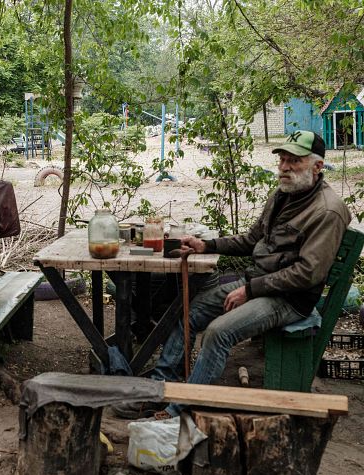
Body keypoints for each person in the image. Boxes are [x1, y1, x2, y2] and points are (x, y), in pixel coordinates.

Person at [113, 130, 352, 419]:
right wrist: (206, 245)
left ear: (317, 167)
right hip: (258, 283)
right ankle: (162, 386)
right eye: (283, 160)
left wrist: (250, 291)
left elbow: (307, 274)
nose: (285, 167)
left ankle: (182, 410)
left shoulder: (327, 211)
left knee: (218, 332)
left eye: (295, 161)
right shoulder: (282, 195)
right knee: (185, 311)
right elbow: (251, 239)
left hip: (289, 299)